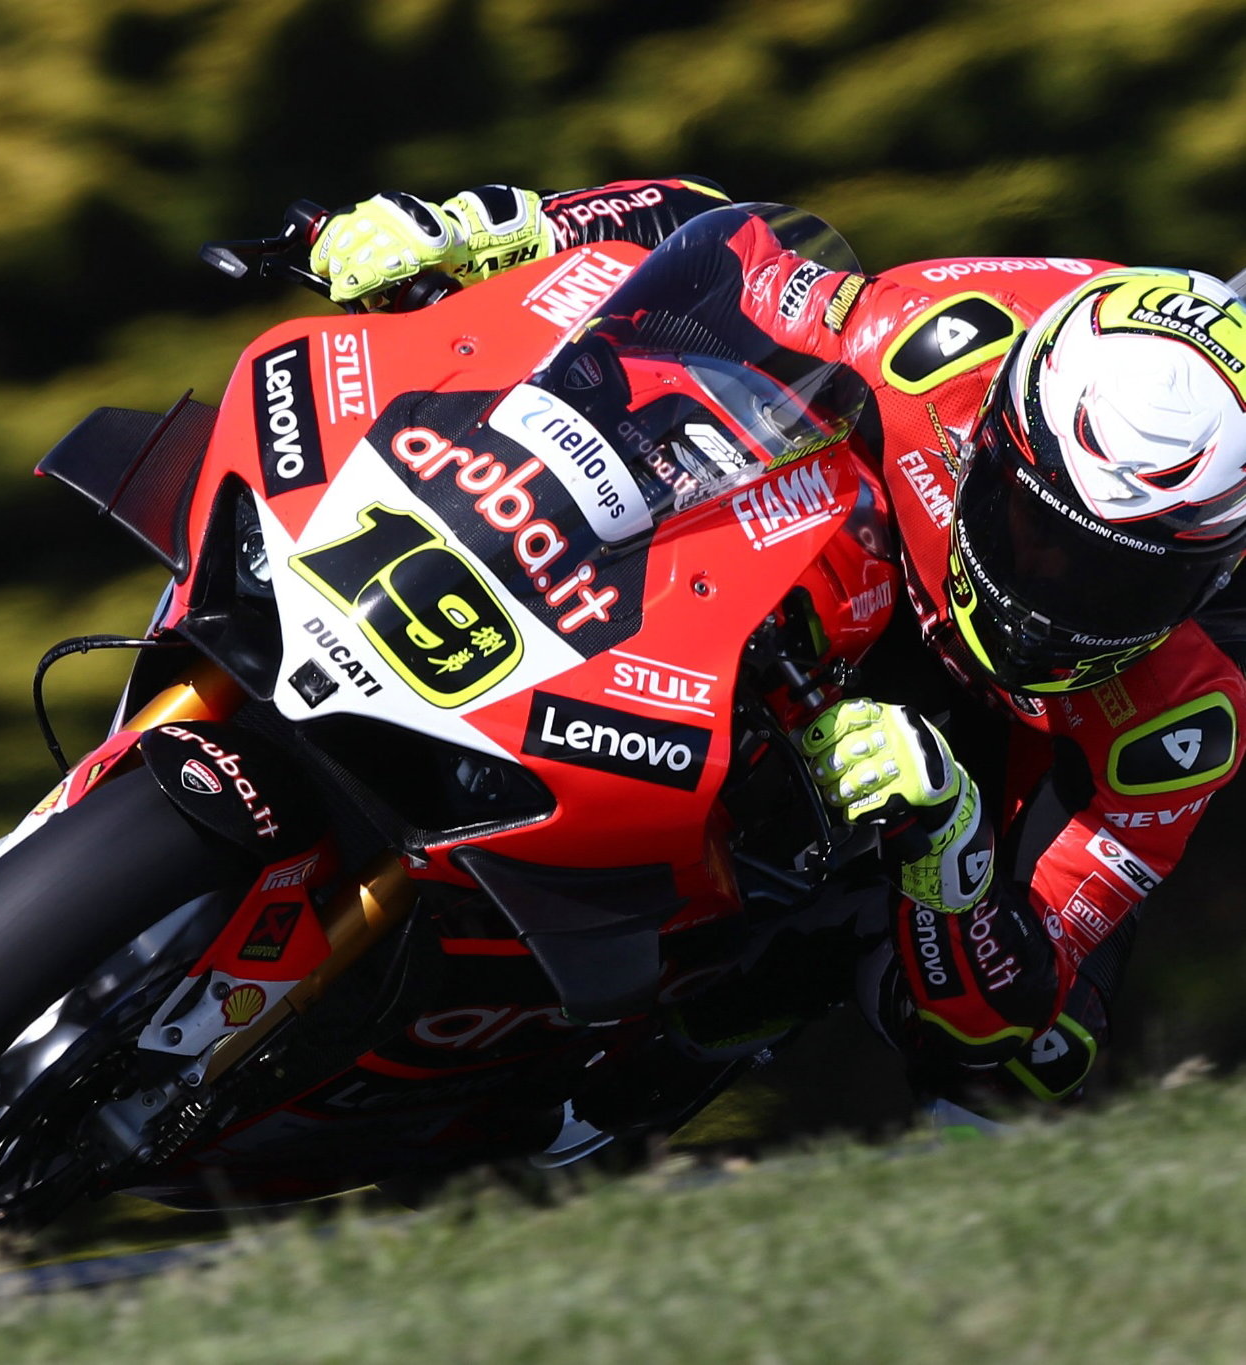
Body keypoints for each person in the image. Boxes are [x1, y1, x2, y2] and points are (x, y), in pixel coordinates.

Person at [304, 178, 1246, 1108]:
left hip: (1011, 740)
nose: (1054, 598)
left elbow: (1020, 993)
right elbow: (725, 245)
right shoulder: (934, 343)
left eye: (1122, 579)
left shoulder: (1188, 709)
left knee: (1032, 1061)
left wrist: (948, 844)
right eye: (1037, 534)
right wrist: (486, 227)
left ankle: (682, 1048)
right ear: (994, 439)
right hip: (855, 552)